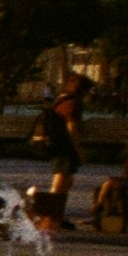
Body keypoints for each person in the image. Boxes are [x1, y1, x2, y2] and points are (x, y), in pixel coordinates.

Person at [33, 83, 84, 228]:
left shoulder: (59, 100)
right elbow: (71, 127)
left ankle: (56, 214)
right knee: (61, 180)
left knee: (66, 180)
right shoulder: (72, 103)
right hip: (63, 147)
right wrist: (78, 149)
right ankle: (49, 215)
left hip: (56, 146)